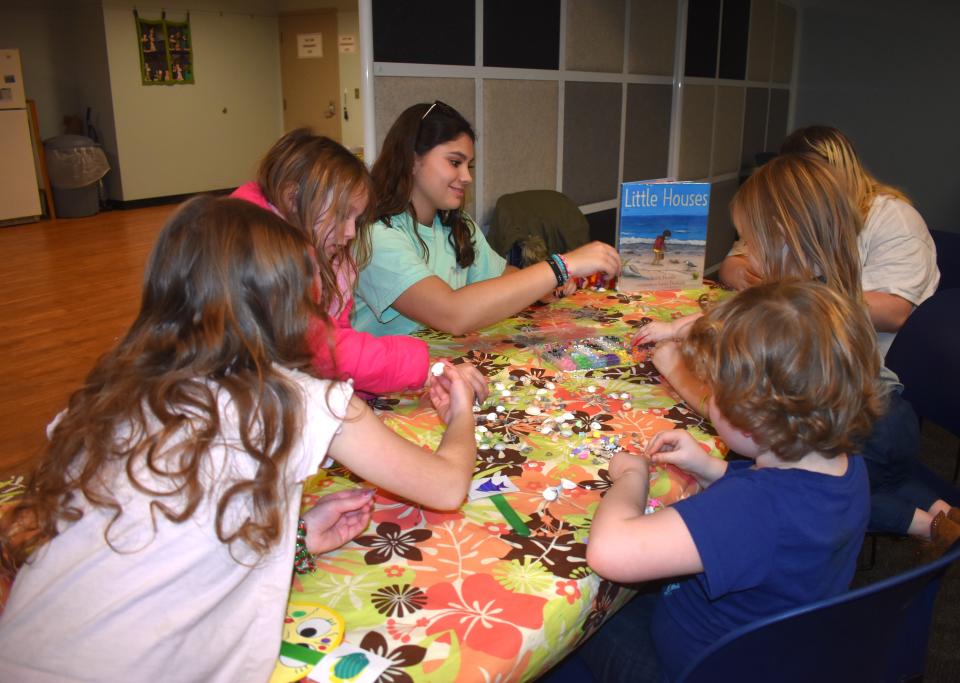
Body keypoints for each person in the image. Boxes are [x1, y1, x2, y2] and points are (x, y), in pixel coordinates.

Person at [0, 197, 479, 682]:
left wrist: (293, 537)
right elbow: (444, 486)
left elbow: (146, 540)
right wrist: (461, 412)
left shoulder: (108, 394)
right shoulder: (296, 398)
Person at [637, 153, 960, 549]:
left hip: (864, 432)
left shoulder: (790, 313)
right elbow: (723, 317)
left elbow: (732, 356)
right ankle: (943, 511)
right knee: (887, 475)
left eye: (751, 240)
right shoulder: (825, 295)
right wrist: (675, 327)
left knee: (824, 496)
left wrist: (674, 366)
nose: (747, 253)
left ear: (783, 239)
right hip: (891, 415)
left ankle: (922, 525)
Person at [582, 280, 882, 682]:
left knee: (583, 630)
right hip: (767, 656)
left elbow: (610, 551)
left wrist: (633, 476)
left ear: (752, 418)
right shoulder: (845, 464)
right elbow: (784, 519)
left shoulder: (752, 508)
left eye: (715, 390)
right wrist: (709, 468)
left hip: (691, 666)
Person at [231, 128, 487, 399]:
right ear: (293, 198)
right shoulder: (258, 257)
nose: (351, 231)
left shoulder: (320, 251)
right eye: (342, 215)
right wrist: (425, 369)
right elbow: (324, 350)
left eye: (356, 218)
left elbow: (336, 349)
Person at [353, 101, 621, 337]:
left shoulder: (457, 225)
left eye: (468, 165)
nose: (467, 177)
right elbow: (452, 314)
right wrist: (561, 266)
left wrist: (542, 287)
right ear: (412, 160)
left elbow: (502, 276)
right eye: (454, 162)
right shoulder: (375, 238)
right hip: (381, 388)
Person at [718, 125, 939, 358]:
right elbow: (733, 264)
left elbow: (894, 313)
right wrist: (744, 274)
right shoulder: (792, 218)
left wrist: (785, 298)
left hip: (863, 357)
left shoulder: (895, 218)